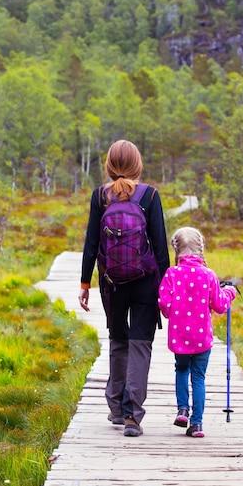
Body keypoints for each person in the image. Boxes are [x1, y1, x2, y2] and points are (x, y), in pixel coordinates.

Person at [79, 140, 169, 437]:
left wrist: (84, 283)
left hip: (111, 283)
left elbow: (91, 243)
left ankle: (116, 407)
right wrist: (166, 288)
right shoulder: (150, 196)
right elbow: (160, 247)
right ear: (137, 164)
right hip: (146, 282)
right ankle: (133, 416)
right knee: (140, 345)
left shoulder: (100, 197)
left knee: (118, 340)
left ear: (109, 164)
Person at [158, 227, 236, 437]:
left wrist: (172, 313)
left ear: (177, 250)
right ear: (200, 249)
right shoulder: (208, 275)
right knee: (199, 377)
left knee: (181, 370)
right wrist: (230, 292)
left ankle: (183, 409)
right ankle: (197, 424)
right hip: (202, 338)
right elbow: (219, 305)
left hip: (180, 335)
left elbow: (164, 303)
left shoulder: (172, 274)